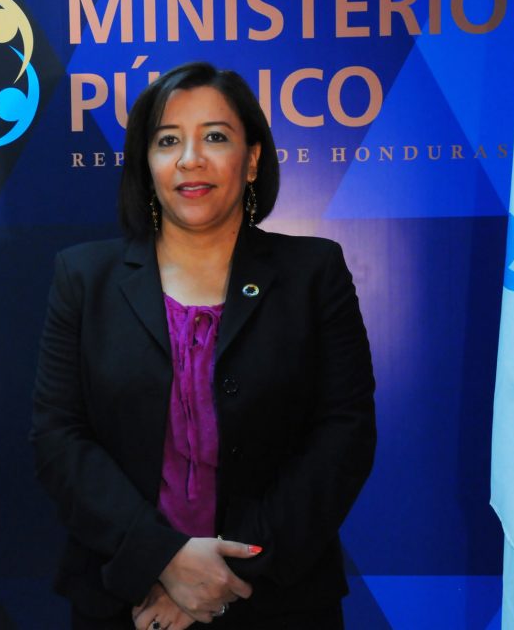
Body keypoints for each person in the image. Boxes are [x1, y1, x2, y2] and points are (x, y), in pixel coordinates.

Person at [31, 61, 375, 629]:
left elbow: (344, 435)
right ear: (147, 164)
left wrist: (217, 578)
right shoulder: (84, 278)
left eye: (215, 137)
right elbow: (58, 438)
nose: (190, 159)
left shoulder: (314, 272)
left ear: (253, 158)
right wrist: (161, 560)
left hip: (277, 599)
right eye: (168, 141)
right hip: (128, 600)